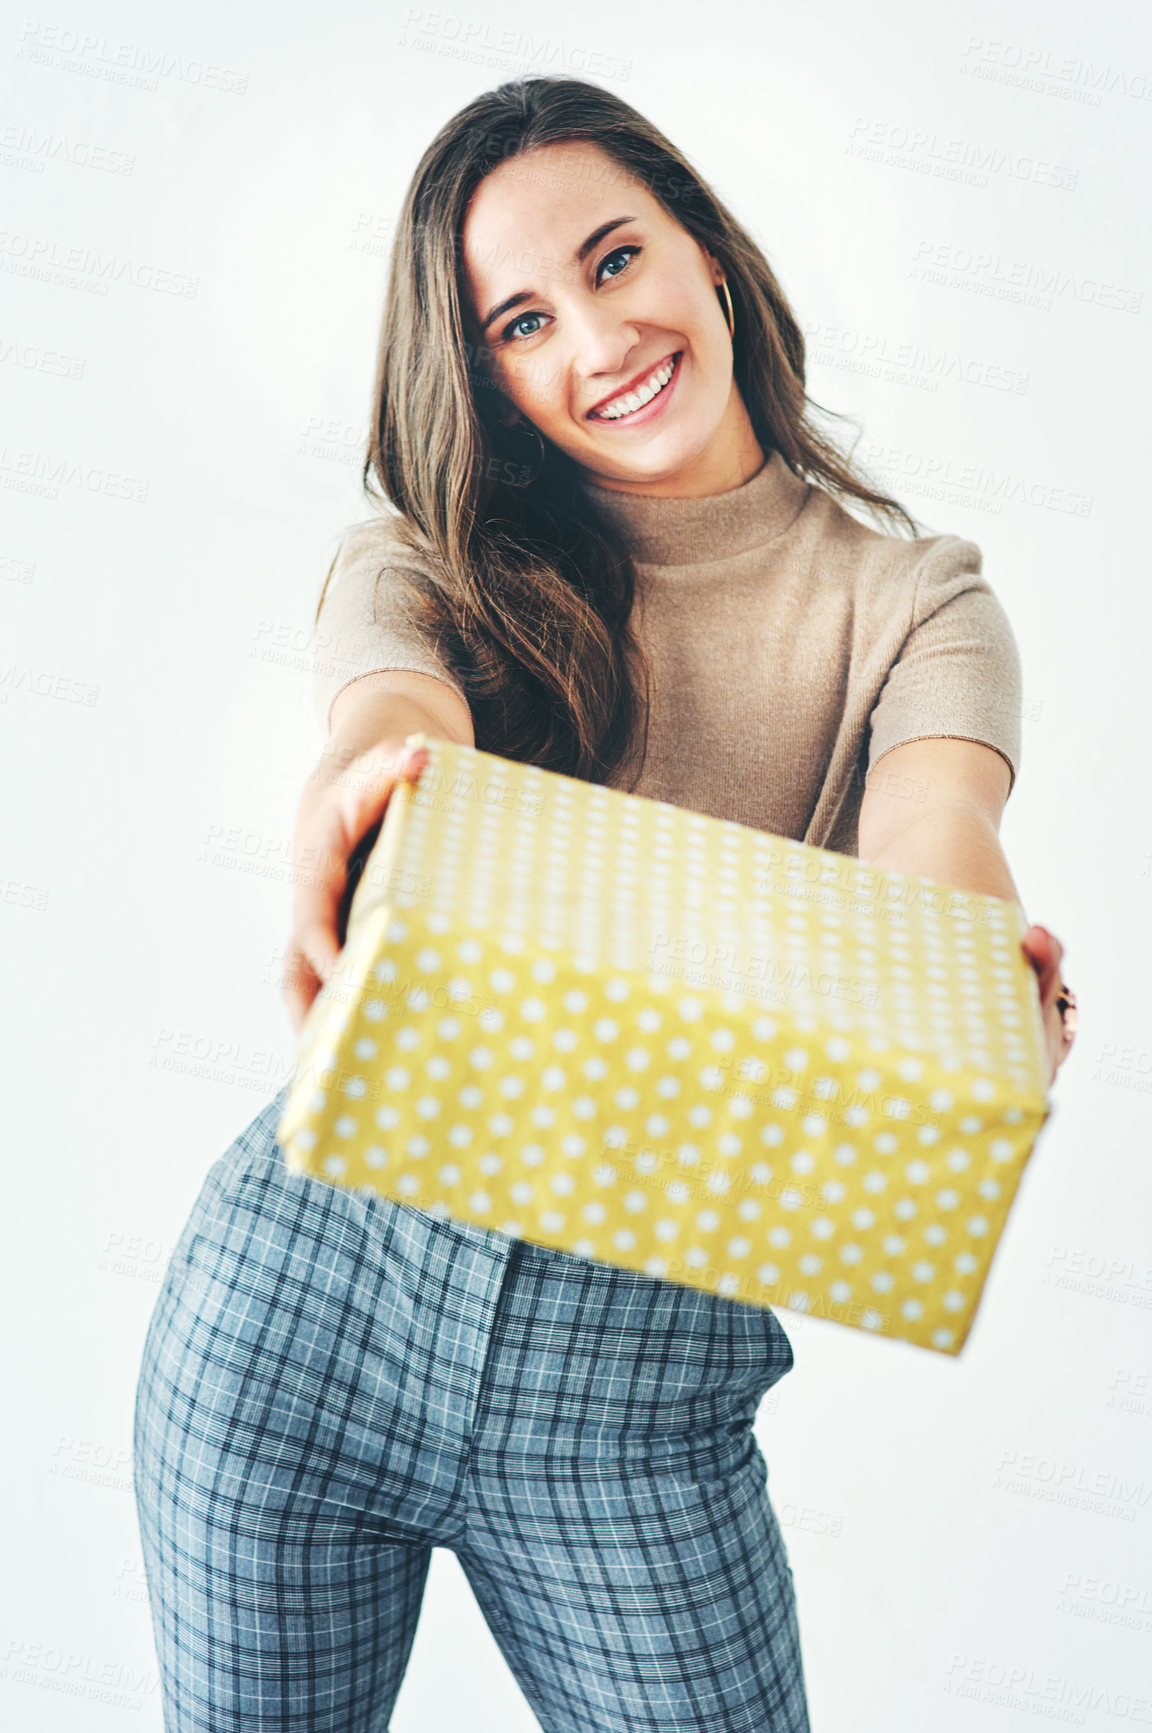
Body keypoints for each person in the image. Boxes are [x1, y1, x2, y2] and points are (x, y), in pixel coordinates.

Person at [133, 76, 1077, 1733]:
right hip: (298, 1301)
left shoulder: (919, 606)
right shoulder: (422, 560)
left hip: (635, 1385)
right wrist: (366, 785)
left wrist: (968, 968)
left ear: (708, 252)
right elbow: (388, 715)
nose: (598, 334)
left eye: (617, 257)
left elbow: (939, 825)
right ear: (483, 374)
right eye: (521, 318)